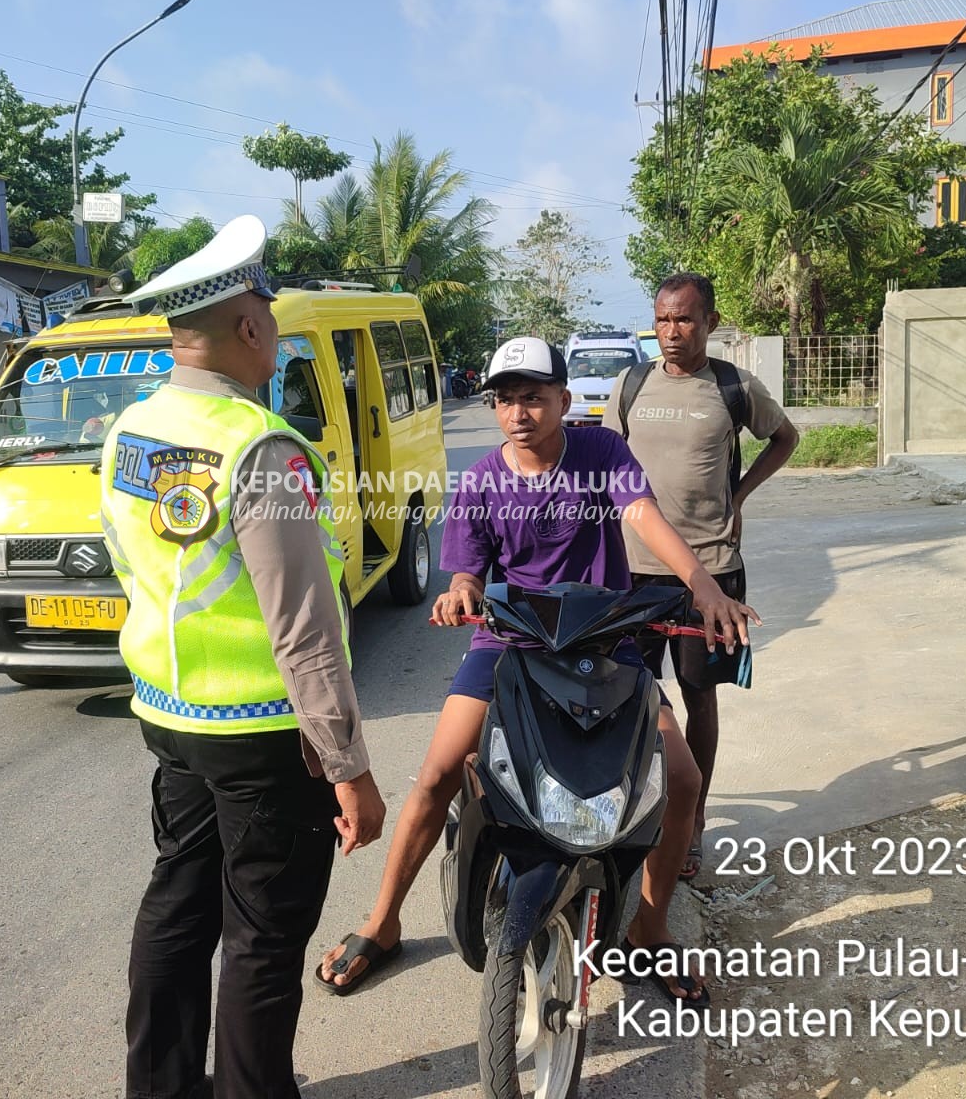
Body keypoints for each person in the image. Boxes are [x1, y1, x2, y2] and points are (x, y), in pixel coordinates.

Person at [317, 335, 756, 1005]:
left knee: (683, 779)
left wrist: (701, 582)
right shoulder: (481, 483)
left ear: (562, 398)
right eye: (507, 399)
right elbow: (468, 566)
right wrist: (462, 588)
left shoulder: (600, 454)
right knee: (437, 773)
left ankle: (650, 926)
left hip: (606, 639)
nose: (520, 412)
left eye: (534, 396)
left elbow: (642, 513)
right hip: (511, 642)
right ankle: (383, 921)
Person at [100, 215, 386, 1099]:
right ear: (253, 327)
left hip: (170, 719)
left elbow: (133, 567)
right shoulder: (258, 447)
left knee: (179, 904)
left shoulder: (133, 433)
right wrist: (349, 768)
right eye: (271, 316)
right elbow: (302, 627)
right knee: (263, 936)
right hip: (263, 734)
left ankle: (161, 1087)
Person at [604, 272, 798, 881]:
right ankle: (629, 806)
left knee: (699, 697)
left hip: (711, 574)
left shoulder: (736, 386)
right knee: (625, 696)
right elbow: (605, 468)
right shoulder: (630, 385)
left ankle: (693, 818)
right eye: (662, 319)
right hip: (632, 575)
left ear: (710, 322)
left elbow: (785, 437)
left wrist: (739, 498)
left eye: (685, 319)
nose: (672, 332)